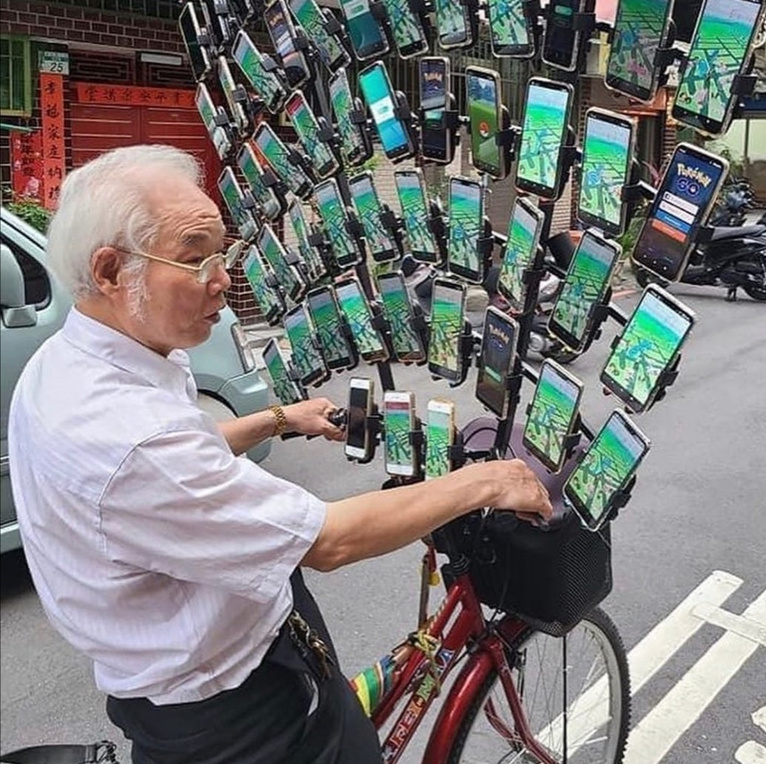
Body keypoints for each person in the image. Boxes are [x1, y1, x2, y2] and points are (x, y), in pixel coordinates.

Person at [8, 145, 553, 764]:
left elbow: (177, 464)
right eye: (195, 258)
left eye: (223, 254)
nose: (222, 279)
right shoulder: (130, 435)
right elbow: (329, 541)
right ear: (110, 270)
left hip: (217, 670)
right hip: (247, 717)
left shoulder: (71, 362)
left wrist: (279, 419)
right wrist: (486, 482)